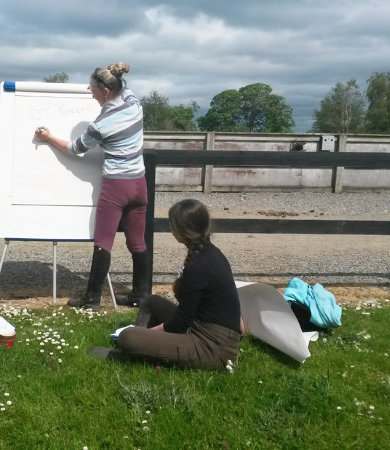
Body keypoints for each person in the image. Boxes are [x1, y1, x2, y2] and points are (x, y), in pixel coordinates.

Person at [34, 62, 150, 310]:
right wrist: (110, 73)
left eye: (93, 89)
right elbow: (125, 88)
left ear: (105, 92)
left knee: (103, 243)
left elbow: (75, 148)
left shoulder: (100, 125)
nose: (90, 92)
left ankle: (91, 300)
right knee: (138, 243)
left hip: (116, 187)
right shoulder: (135, 104)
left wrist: (48, 137)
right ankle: (141, 296)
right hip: (139, 184)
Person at [89, 199, 241, 370]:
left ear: (180, 231)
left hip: (213, 348)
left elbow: (180, 324)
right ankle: (138, 347)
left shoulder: (199, 265)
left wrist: (147, 334)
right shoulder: (210, 253)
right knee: (151, 302)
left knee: (127, 337)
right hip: (202, 329)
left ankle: (132, 348)